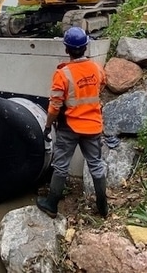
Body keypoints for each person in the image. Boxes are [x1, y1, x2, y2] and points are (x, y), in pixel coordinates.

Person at [36, 26, 109, 219]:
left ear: (67, 49)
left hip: (70, 126)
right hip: (93, 125)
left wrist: (47, 125)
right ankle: (103, 206)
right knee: (96, 164)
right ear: (85, 47)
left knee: (61, 165)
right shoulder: (96, 68)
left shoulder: (63, 74)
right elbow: (102, 84)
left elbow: (54, 106)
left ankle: (51, 204)